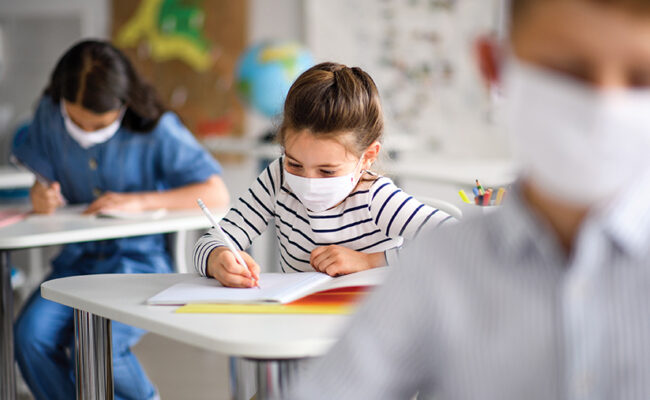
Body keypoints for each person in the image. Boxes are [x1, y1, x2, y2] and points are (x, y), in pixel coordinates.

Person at [290, 0, 650, 398]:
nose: (603, 106)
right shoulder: (437, 269)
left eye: (642, 78)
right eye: (567, 71)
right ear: (495, 66)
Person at [12, 40, 228, 400]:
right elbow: (42, 179)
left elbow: (216, 192)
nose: (85, 132)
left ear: (123, 104)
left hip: (139, 263)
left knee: (98, 348)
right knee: (30, 338)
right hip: (75, 264)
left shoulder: (156, 129)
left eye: (97, 125)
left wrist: (140, 201)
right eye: (75, 121)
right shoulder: (49, 115)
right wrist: (41, 196)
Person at [193, 62, 453, 287]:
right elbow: (213, 239)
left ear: (368, 157)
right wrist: (218, 258)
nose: (307, 182)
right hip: (298, 325)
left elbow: (456, 241)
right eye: (294, 164)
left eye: (327, 171)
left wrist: (369, 261)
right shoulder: (277, 178)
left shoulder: (375, 197)